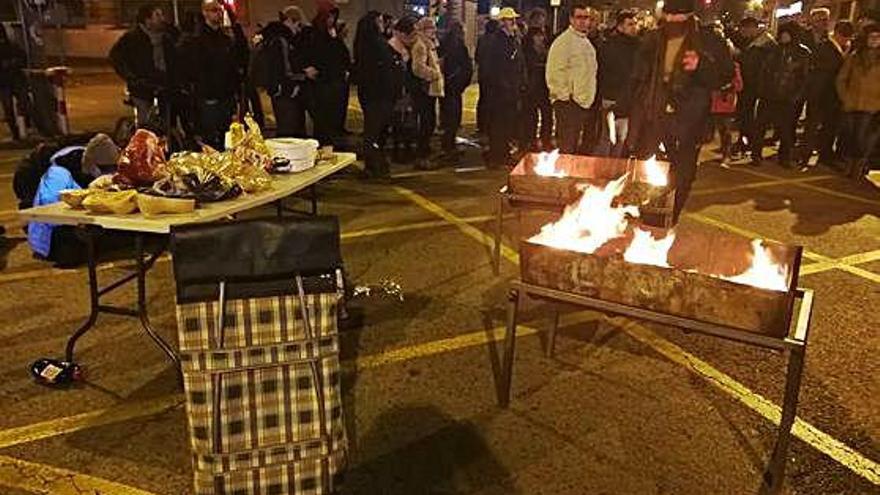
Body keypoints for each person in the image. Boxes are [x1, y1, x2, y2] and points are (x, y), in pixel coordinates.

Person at [623, 0, 734, 222]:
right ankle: (646, 217)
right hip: (654, 115)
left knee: (682, 174)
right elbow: (637, 78)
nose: (672, 21)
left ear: (690, 15)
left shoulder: (708, 40)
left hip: (688, 120)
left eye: (679, 16)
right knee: (647, 169)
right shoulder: (653, 39)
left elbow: (725, 76)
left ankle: (669, 217)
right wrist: (625, 110)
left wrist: (701, 65)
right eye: (669, 16)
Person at [27, 135, 120, 267]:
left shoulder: (87, 163)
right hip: (51, 238)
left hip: (73, 225)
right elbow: (50, 210)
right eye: (105, 169)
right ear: (92, 164)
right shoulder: (59, 173)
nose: (108, 173)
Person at [179, 1, 248, 149]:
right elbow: (194, 68)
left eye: (220, 10)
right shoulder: (196, 39)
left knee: (226, 136)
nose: (219, 13)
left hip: (226, 95)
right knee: (209, 138)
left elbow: (234, 62)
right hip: (208, 96)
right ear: (205, 13)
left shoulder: (225, 38)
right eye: (214, 10)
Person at [355, 13, 412, 178]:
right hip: (379, 95)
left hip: (373, 94)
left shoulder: (366, 44)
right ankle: (376, 165)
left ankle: (373, 164)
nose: (382, 24)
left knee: (374, 130)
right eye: (379, 21)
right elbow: (385, 71)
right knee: (374, 131)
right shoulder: (375, 45)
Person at [750, 23, 811, 167]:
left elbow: (805, 78)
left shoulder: (802, 53)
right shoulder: (772, 50)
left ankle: (785, 157)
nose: (784, 36)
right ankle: (756, 155)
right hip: (769, 95)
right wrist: (762, 90)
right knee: (760, 127)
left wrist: (796, 96)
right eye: (782, 33)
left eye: (787, 33)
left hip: (788, 98)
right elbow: (763, 72)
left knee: (787, 130)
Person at [109, 4, 176, 128]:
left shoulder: (166, 38)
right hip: (142, 86)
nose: (162, 19)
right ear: (147, 20)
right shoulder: (132, 38)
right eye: (157, 15)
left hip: (163, 84)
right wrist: (131, 77)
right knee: (146, 122)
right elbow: (116, 58)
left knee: (167, 121)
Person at [546, 1, 598, 155]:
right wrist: (565, 96)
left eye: (587, 17)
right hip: (569, 104)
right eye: (579, 17)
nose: (584, 21)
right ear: (571, 19)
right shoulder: (564, 42)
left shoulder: (586, 43)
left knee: (575, 144)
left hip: (583, 102)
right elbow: (554, 71)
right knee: (567, 145)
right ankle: (564, 176)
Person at [264, 6, 318, 138]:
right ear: (290, 21)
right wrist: (305, 74)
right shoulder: (281, 40)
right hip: (286, 93)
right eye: (298, 25)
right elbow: (285, 70)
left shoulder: (275, 37)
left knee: (289, 132)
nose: (298, 29)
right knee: (290, 134)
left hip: (282, 92)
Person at [481, 8, 526, 167]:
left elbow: (519, 64)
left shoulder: (513, 39)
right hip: (500, 93)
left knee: (507, 125)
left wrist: (520, 84)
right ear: (502, 22)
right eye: (509, 19)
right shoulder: (497, 41)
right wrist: (504, 87)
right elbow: (495, 68)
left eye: (513, 19)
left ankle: (503, 153)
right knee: (498, 125)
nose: (512, 22)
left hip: (511, 90)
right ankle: (496, 155)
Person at [801, 8, 844, 169]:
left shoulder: (831, 41)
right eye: (820, 19)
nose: (824, 23)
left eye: (826, 19)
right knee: (802, 120)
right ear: (812, 21)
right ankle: (798, 151)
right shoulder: (804, 37)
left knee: (818, 123)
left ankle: (813, 152)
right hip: (806, 86)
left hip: (825, 90)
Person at [836, 24, 880, 178]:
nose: (875, 40)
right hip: (852, 103)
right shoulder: (855, 57)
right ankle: (849, 163)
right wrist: (845, 96)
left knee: (863, 138)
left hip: (872, 106)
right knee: (850, 135)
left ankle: (858, 165)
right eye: (872, 37)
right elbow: (842, 78)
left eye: (878, 37)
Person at [596, 9, 641, 157]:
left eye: (635, 24)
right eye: (630, 24)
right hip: (612, 98)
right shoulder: (610, 46)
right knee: (609, 137)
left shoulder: (638, 46)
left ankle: (614, 168)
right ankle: (603, 169)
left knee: (622, 138)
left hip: (629, 99)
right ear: (620, 27)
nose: (634, 27)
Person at [311, 2, 351, 145]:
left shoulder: (332, 35)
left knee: (334, 115)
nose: (331, 20)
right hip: (323, 82)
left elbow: (339, 55)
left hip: (335, 80)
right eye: (329, 17)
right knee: (324, 119)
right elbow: (319, 54)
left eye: (333, 17)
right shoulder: (315, 33)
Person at [410, 16, 444, 168]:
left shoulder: (429, 44)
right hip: (425, 90)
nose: (434, 31)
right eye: (431, 28)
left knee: (429, 122)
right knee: (426, 122)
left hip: (430, 90)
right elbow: (418, 68)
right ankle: (421, 155)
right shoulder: (420, 45)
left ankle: (425, 152)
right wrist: (435, 74)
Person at [439, 21, 473, 160]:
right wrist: (462, 81)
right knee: (453, 117)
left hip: (447, 86)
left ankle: (448, 145)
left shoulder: (444, 44)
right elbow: (464, 65)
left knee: (448, 117)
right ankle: (449, 147)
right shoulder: (458, 45)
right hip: (454, 86)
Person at [521, 8, 552, 152]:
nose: (540, 22)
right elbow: (525, 61)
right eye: (537, 19)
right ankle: (530, 139)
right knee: (531, 114)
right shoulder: (526, 40)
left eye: (542, 18)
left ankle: (545, 139)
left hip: (544, 82)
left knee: (546, 113)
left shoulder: (548, 37)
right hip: (532, 82)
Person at [0, 27, 28, 141]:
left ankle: (20, 129)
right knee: (10, 108)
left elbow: (22, 58)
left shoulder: (12, 46)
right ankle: (17, 131)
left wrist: (12, 63)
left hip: (12, 80)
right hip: (6, 81)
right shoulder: (12, 46)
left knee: (21, 104)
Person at [475, 20, 499, 136]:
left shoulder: (482, 39)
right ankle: (489, 125)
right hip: (492, 75)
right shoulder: (496, 41)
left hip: (483, 74)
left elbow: (477, 57)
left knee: (482, 100)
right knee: (492, 101)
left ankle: (481, 125)